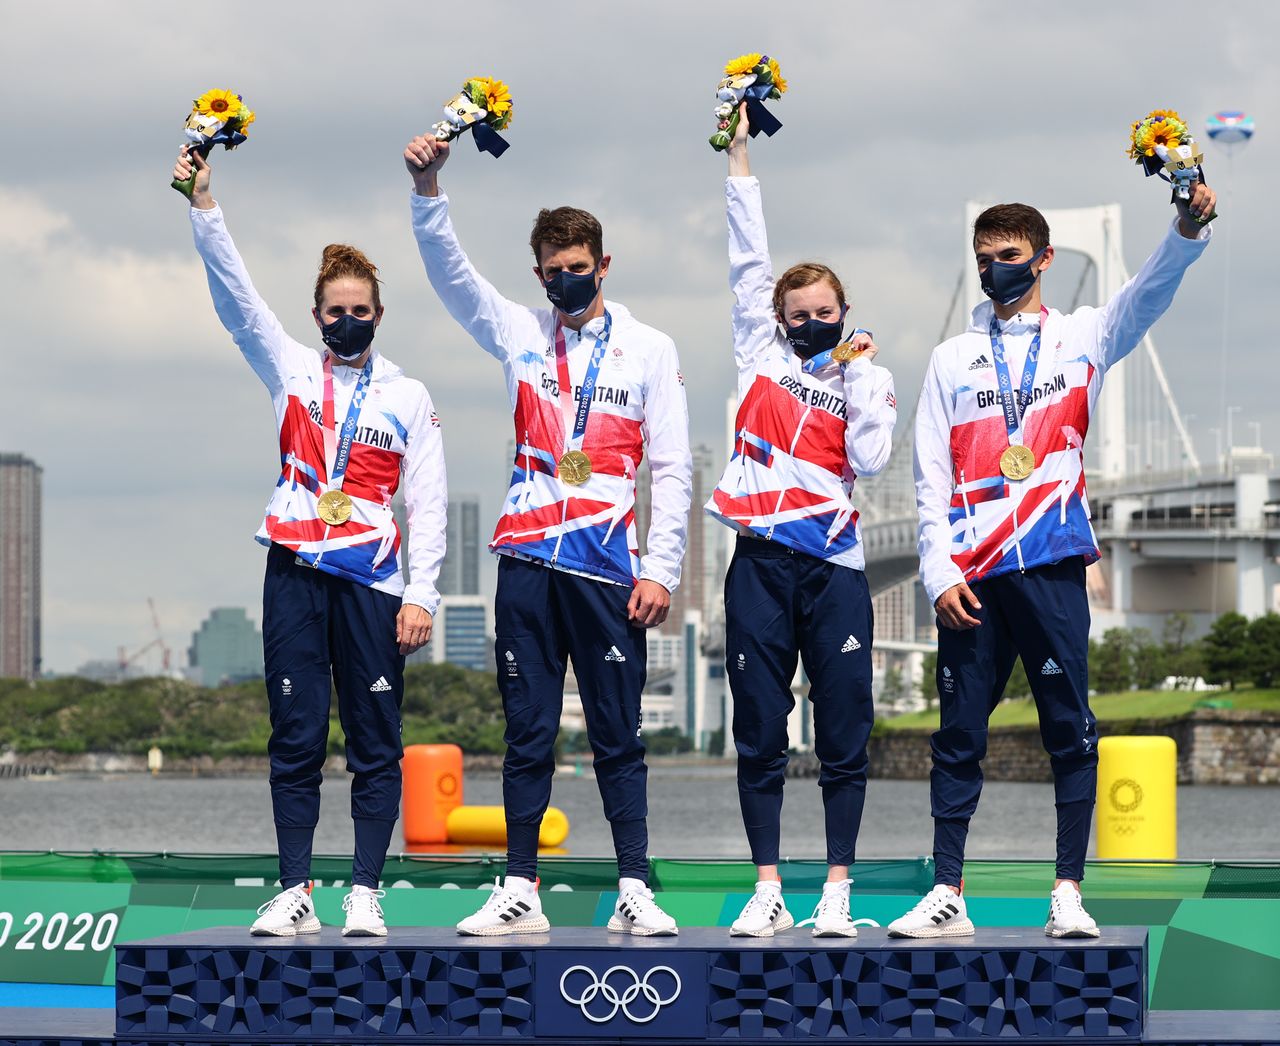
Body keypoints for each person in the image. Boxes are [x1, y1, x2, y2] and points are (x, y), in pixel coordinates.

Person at [889, 170, 1217, 940]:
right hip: (972, 577)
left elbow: (1151, 291)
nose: (992, 267)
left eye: (1007, 253)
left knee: (1070, 728)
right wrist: (937, 574)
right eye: (982, 256)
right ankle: (947, 893)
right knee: (959, 735)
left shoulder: (1085, 337)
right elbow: (928, 478)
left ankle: (1068, 890)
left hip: (1054, 563)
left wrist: (1187, 228)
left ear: (1043, 259)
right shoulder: (949, 359)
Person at [403, 131, 693, 937]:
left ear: (605, 266)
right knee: (526, 733)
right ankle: (519, 887)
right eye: (552, 269)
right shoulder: (521, 333)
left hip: (607, 569)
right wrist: (429, 190)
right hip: (527, 561)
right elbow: (451, 279)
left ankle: (636, 886)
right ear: (539, 273)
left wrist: (661, 570)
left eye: (578, 267)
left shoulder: (650, 349)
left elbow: (671, 468)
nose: (566, 280)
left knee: (618, 735)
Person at [173, 145, 447, 938]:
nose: (349, 320)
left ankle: (365, 890)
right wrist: (204, 205)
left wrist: (422, 595)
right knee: (294, 733)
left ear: (379, 314)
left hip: (372, 583)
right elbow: (235, 298)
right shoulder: (290, 370)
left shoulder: (409, 395)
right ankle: (295, 888)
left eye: (362, 308)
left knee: (374, 740)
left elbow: (427, 499)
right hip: (293, 569)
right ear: (317, 316)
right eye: (335, 310)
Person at [706, 105, 897, 938]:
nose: (810, 322)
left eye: (826, 310)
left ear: (844, 311)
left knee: (846, 725)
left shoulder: (870, 378)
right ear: (779, 318)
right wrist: (739, 151)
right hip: (758, 561)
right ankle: (767, 885)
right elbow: (749, 258)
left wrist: (852, 372)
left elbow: (876, 456)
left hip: (836, 569)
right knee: (758, 727)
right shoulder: (759, 357)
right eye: (798, 312)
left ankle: (838, 889)